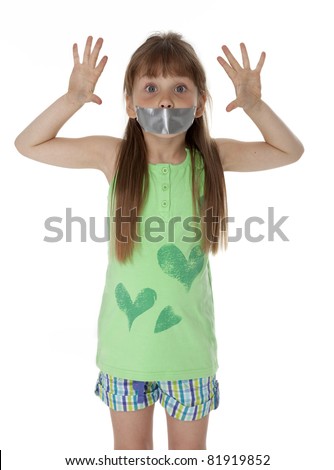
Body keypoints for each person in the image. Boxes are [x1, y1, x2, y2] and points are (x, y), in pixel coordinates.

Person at [14, 32, 304, 450]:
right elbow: (29, 144)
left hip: (190, 355)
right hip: (125, 353)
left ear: (200, 104)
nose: (165, 101)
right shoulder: (112, 157)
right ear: (130, 105)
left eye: (179, 88)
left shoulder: (213, 160)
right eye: (151, 88)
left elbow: (289, 151)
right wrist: (73, 98)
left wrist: (254, 106)